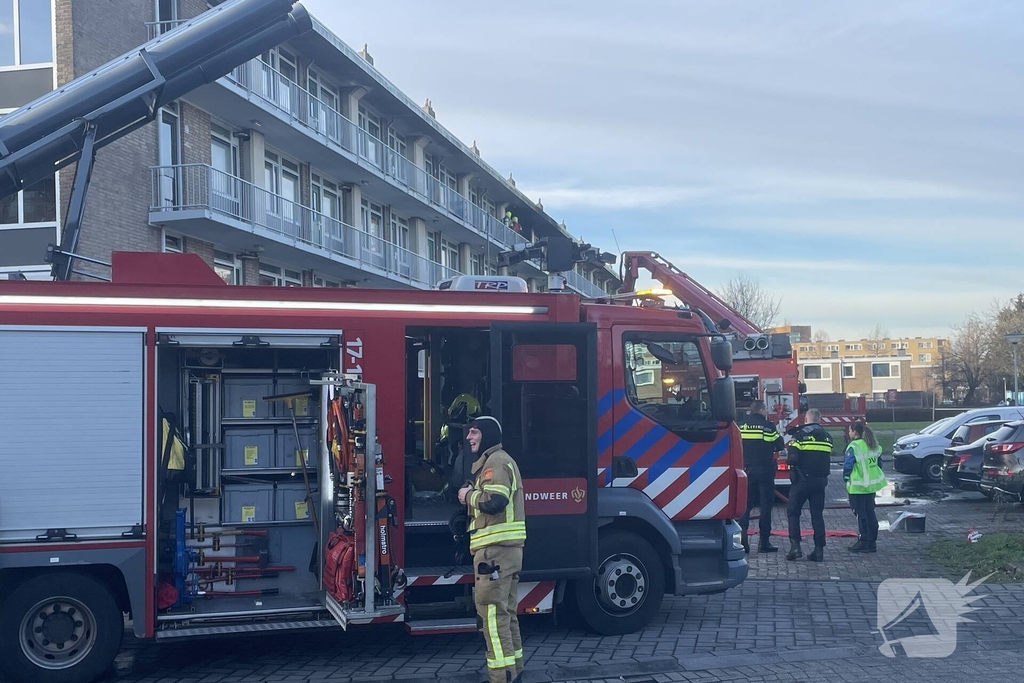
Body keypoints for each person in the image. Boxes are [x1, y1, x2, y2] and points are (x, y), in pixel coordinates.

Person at [458, 416, 527, 683]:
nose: (469, 438)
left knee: (493, 617)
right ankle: (515, 670)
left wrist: (468, 496)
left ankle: (501, 677)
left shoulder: (495, 462)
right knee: (506, 614)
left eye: (473, 433)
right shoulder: (499, 461)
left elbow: (495, 501)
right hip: (504, 552)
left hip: (494, 552)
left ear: (486, 435)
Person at [737, 400, 785, 554]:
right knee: (766, 506)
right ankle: (764, 542)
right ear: (762, 410)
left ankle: (743, 539)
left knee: (746, 506)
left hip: (747, 470)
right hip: (764, 470)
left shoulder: (741, 426)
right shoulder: (768, 427)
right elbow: (780, 445)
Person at [785, 408, 833, 562]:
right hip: (820, 482)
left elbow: (792, 458)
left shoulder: (799, 436)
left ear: (806, 419)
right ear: (819, 419)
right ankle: (819, 551)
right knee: (817, 516)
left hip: (802, 480)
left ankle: (795, 547)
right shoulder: (827, 437)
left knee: (793, 512)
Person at [844, 420, 886, 553]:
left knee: (860, 514)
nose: (848, 433)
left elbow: (848, 465)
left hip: (857, 487)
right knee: (870, 512)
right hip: (871, 487)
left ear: (855, 432)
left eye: (849, 430)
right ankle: (872, 541)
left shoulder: (854, 446)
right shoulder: (873, 445)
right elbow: (879, 463)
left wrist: (845, 478)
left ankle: (864, 541)